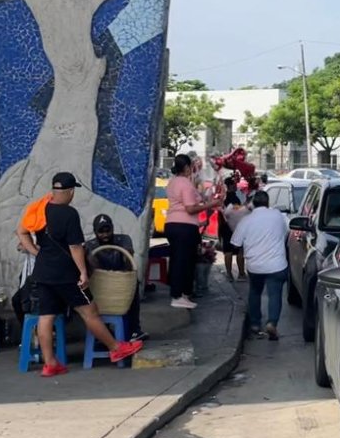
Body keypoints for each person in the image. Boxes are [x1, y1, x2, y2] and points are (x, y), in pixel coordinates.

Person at [16, 172, 143, 376]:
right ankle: (115, 348)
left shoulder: (39, 208)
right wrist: (83, 272)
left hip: (43, 273)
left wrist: (36, 251)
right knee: (89, 311)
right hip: (66, 274)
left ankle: (50, 364)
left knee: (46, 317)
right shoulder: (70, 214)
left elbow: (22, 231)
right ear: (70, 192)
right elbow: (75, 247)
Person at [231, 190, 289, 341]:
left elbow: (235, 243)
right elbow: (286, 232)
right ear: (268, 203)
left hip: (255, 266)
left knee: (255, 292)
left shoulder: (246, 220)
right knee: (275, 294)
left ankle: (255, 324)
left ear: (253, 204)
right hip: (277, 264)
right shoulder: (277, 215)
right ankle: (272, 323)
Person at [165, 154, 222, 308]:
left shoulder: (173, 182)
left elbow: (196, 199)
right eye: (191, 166)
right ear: (186, 167)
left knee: (178, 260)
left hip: (173, 224)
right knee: (184, 262)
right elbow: (190, 208)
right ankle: (178, 295)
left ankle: (180, 294)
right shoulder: (185, 184)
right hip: (184, 227)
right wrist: (211, 205)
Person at [84, 213, 146, 342]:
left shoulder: (123, 239)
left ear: (112, 228)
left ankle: (134, 330)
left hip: (121, 283)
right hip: (101, 285)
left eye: (108, 230)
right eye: (101, 232)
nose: (105, 235)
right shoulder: (90, 246)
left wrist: (128, 255)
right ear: (95, 232)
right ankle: (103, 333)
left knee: (134, 285)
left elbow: (128, 263)